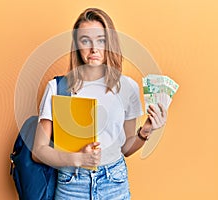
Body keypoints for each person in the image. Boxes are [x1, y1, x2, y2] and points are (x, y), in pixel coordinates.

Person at [32, 8, 167, 200]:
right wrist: (78, 159)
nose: (94, 49)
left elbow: (126, 149)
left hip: (114, 183)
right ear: (77, 45)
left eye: (101, 40)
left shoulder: (127, 87)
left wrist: (145, 131)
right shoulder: (57, 87)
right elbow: (38, 151)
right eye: (85, 40)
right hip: (72, 184)